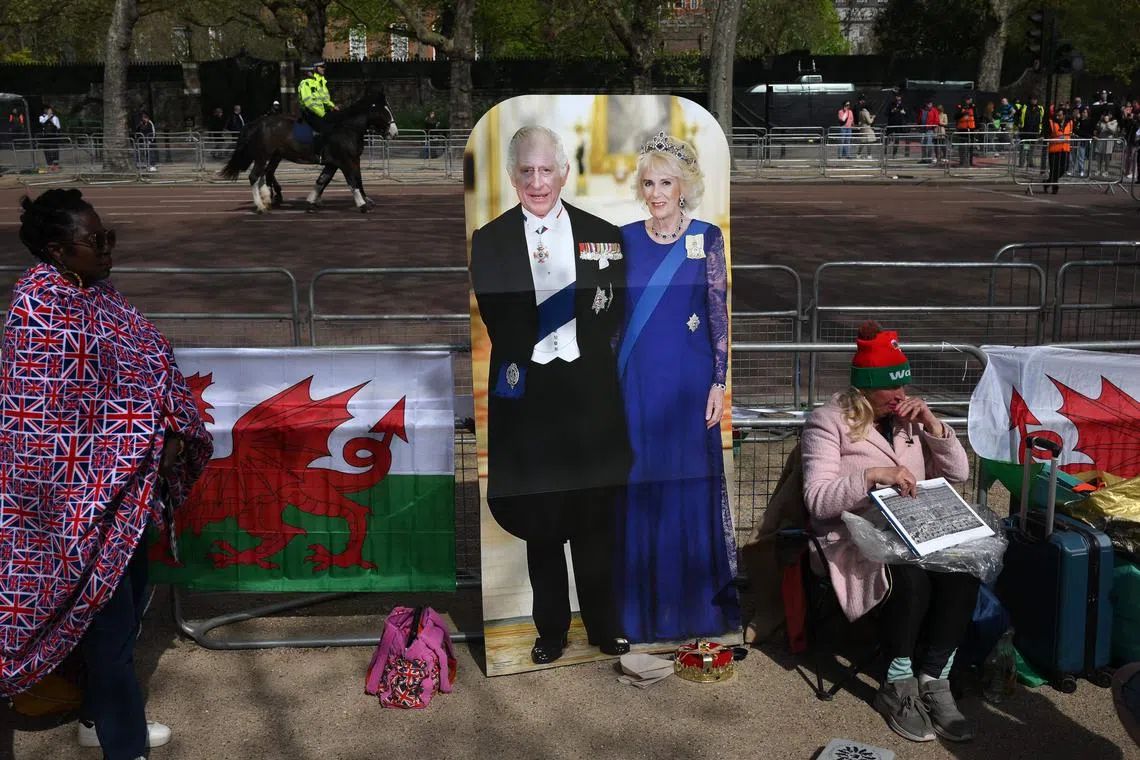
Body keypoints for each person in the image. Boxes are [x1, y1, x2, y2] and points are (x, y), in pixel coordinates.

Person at [0, 188, 213, 760]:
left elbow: (150, 367)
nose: (107, 248)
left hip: (130, 488)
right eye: (95, 240)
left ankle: (96, 719)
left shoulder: (101, 296)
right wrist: (144, 438)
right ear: (57, 249)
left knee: (130, 606)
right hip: (74, 501)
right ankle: (126, 746)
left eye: (108, 237)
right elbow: (46, 420)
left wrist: (171, 428)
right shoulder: (39, 308)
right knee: (110, 625)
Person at [469, 125, 631, 665]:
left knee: (594, 518)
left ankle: (605, 625)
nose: (537, 182)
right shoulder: (489, 240)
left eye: (546, 170)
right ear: (512, 176)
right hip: (531, 397)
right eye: (526, 171)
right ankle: (551, 630)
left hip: (588, 396)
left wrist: (576, 340)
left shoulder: (604, 234)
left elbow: (612, 310)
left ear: (563, 173)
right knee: (541, 522)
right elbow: (498, 318)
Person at [802, 321, 976, 744]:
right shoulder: (828, 422)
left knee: (963, 570)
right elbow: (817, 501)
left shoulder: (908, 420)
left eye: (903, 384)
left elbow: (960, 474)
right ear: (864, 387)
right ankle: (897, 683)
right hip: (851, 538)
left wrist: (933, 425)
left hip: (914, 529)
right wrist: (871, 476)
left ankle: (934, 678)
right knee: (910, 578)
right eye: (890, 387)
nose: (901, 394)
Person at [614, 132, 737, 643]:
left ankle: (693, 610)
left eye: (666, 183)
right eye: (649, 183)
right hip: (638, 385)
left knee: (688, 486)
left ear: (684, 186)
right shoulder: (623, 239)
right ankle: (641, 614)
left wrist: (718, 383)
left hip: (689, 388)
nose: (657, 193)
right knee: (640, 488)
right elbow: (614, 322)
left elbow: (717, 315)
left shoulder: (707, 237)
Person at [1045, 106, 1073, 194]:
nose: (1058, 117)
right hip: (1054, 150)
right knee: (1054, 169)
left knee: (1065, 167)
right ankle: (1054, 186)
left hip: (1065, 149)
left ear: (1064, 116)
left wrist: (1091, 136)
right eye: (1057, 115)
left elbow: (1078, 131)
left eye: (1060, 115)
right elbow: (1046, 131)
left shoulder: (1070, 122)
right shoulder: (1051, 122)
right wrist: (1042, 136)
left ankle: (1049, 181)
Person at [954, 97, 976, 167]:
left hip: (971, 129)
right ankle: (962, 161)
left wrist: (977, 128)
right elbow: (955, 117)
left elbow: (976, 117)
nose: (970, 101)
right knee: (962, 146)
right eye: (968, 100)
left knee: (970, 146)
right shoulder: (960, 107)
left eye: (970, 100)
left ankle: (970, 161)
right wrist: (962, 113)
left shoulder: (973, 107)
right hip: (962, 130)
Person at [38, 104, 61, 171]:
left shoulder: (55, 117)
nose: (48, 111)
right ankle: (49, 164)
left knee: (55, 150)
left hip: (54, 136)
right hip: (45, 136)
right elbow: (42, 122)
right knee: (47, 150)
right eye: (47, 109)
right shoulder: (41, 117)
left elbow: (58, 127)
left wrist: (52, 120)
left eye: (49, 109)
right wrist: (48, 116)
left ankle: (56, 165)